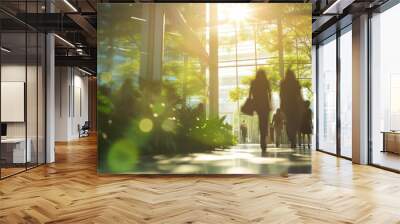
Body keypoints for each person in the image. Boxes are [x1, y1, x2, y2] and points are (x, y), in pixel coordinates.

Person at [280, 70, 304, 149]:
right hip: (295, 106)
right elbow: (299, 94)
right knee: (294, 123)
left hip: (287, 106)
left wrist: (282, 106)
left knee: (289, 123)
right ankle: (293, 137)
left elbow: (281, 95)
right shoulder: (296, 82)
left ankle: (291, 137)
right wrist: (301, 102)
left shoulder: (283, 83)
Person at [249, 69, 272, 152]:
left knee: (261, 121)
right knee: (265, 122)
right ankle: (263, 139)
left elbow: (250, 92)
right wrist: (270, 102)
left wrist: (252, 100)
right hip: (265, 104)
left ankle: (262, 140)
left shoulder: (254, 81)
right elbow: (269, 92)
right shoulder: (266, 81)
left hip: (258, 105)